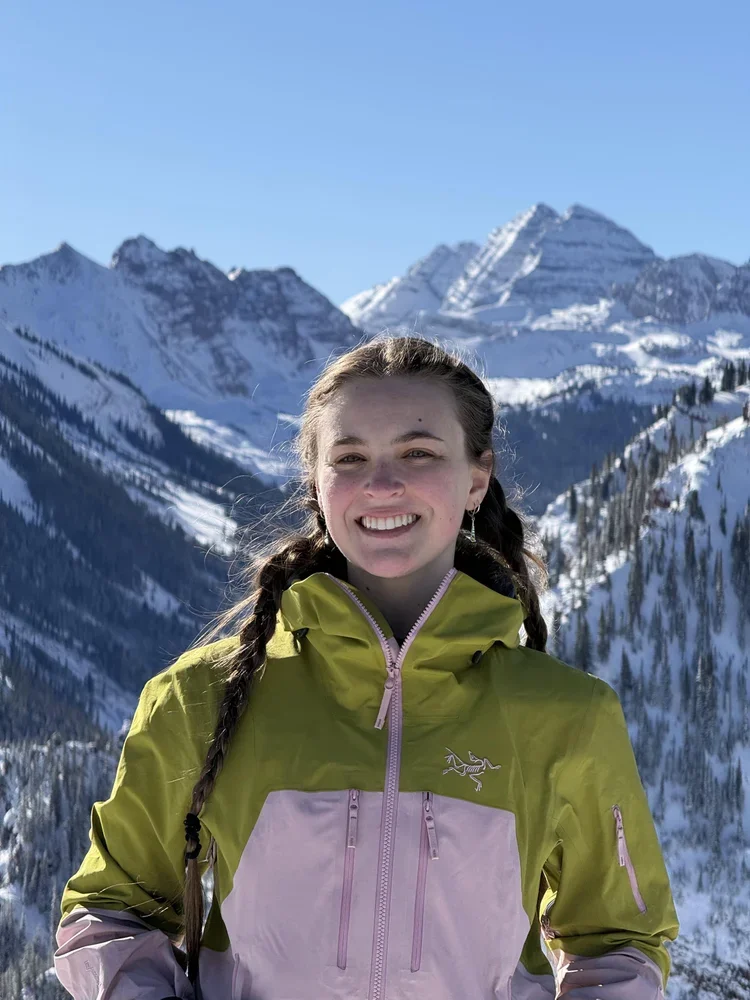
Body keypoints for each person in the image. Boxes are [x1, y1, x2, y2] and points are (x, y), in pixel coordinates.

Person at [54, 336, 679, 1000]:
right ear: (317, 485)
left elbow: (620, 941)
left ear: (476, 476)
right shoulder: (201, 698)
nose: (382, 484)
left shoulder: (566, 718)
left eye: (418, 452)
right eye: (350, 457)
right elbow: (110, 913)